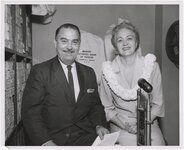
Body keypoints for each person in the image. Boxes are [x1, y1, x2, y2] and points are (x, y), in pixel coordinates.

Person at [21, 23, 109, 146]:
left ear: (79, 45)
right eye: (64, 41)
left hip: (85, 136)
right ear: (55, 43)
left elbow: (95, 106)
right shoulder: (40, 71)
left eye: (74, 42)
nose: (69, 47)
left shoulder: (89, 72)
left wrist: (99, 125)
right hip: (53, 139)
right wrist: (45, 142)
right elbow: (31, 113)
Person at [100, 20, 165, 145]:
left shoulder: (152, 66)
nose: (125, 43)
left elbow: (158, 105)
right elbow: (107, 108)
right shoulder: (107, 71)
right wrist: (124, 125)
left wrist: (142, 123)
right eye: (119, 40)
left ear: (136, 42)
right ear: (115, 46)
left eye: (129, 38)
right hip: (121, 125)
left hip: (148, 123)